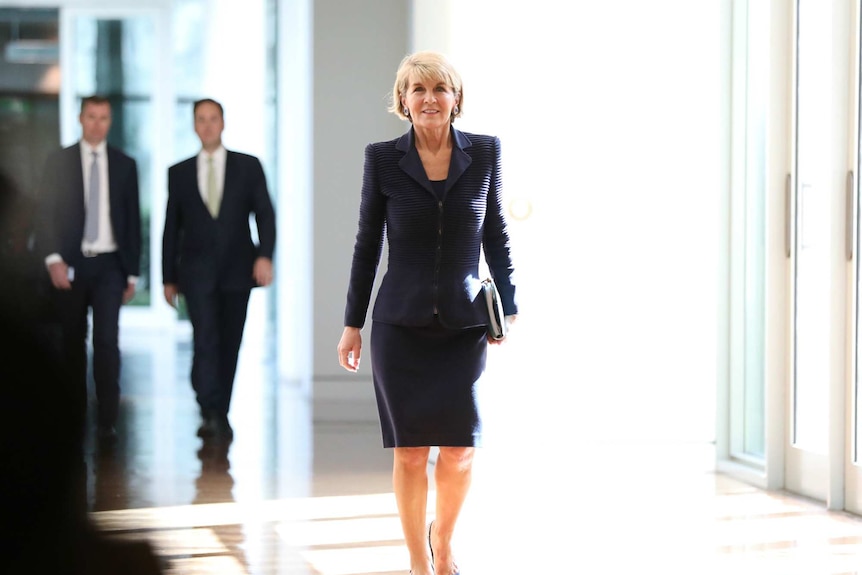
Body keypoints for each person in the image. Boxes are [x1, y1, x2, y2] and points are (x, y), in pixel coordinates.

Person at [336, 51, 518, 575]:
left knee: (461, 450)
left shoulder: (484, 153)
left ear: (455, 98)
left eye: (439, 89)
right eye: (417, 90)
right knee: (411, 452)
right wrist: (352, 324)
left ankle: (444, 537)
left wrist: (508, 304)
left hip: (463, 325)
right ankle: (421, 561)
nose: (429, 99)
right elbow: (367, 242)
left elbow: (496, 233)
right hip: (400, 326)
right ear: (402, 101)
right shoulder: (382, 158)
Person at [162, 98, 276, 442]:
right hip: (195, 273)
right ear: (194, 125)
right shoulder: (179, 172)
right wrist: (168, 277)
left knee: (230, 342)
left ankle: (220, 410)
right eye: (201, 119)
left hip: (238, 270)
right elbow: (171, 228)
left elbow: (265, 214)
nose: (208, 125)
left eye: (213, 119)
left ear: (223, 124)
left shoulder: (248, 166)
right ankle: (209, 408)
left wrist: (265, 256)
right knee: (205, 341)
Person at [36, 95, 141, 443]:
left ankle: (108, 420)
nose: (97, 124)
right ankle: (73, 415)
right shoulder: (59, 162)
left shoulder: (125, 165)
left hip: (110, 264)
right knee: (72, 341)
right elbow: (46, 212)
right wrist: (53, 259)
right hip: (70, 263)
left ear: (110, 121)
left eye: (104, 118)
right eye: (91, 117)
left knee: (107, 342)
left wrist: (132, 272)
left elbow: (131, 221)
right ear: (81, 118)